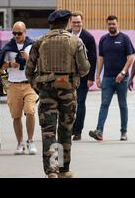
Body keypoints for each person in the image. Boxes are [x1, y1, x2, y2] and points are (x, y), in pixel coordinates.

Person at [26, 9, 90, 178]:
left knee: (48, 132)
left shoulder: (40, 42)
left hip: (46, 91)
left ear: (51, 23)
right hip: (68, 92)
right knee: (65, 130)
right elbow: (84, 69)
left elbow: (29, 70)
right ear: (68, 22)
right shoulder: (75, 41)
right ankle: (63, 169)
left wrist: (38, 86)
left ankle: (51, 171)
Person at [0, 22, 37, 155]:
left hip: (29, 83)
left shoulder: (33, 46)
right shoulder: (8, 47)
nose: (17, 36)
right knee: (16, 116)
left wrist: (28, 58)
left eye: (19, 33)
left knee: (30, 111)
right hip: (13, 85)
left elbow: (40, 65)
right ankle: (20, 143)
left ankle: (30, 141)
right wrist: (8, 64)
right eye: (14, 33)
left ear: (25, 32)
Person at [89, 15, 134, 141]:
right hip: (107, 78)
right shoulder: (104, 39)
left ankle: (124, 132)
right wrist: (98, 76)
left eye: (113, 24)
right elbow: (100, 58)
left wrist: (123, 73)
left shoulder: (124, 38)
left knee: (122, 105)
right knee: (104, 104)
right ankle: (99, 131)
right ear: (107, 25)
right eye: (109, 24)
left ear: (117, 24)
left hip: (122, 78)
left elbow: (131, 57)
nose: (111, 26)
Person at [68, 11, 97, 141]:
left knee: (80, 102)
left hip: (83, 77)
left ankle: (78, 131)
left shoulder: (88, 37)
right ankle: (68, 129)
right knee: (68, 103)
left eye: (78, 22)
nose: (76, 24)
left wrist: (91, 78)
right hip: (67, 76)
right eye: (74, 22)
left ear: (82, 22)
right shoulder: (66, 35)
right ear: (70, 22)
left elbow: (93, 58)